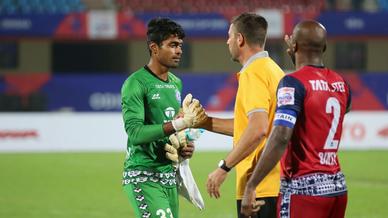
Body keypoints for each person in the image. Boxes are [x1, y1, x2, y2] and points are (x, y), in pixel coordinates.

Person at [241, 20, 352, 218]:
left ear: (293, 46)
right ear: (324, 47)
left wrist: (251, 185)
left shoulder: (292, 83)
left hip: (304, 189)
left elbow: (281, 136)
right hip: (337, 187)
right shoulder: (341, 83)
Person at [200, 13, 285, 218]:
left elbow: (258, 129)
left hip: (259, 187)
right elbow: (250, 127)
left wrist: (224, 167)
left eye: (230, 35)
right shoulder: (274, 70)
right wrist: (203, 122)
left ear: (240, 39)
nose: (227, 40)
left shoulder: (252, 73)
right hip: (278, 183)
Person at [120, 17, 206, 218]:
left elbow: (172, 131)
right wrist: (178, 124)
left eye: (180, 46)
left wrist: (183, 147)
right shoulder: (136, 83)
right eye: (172, 45)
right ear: (154, 48)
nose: (179, 51)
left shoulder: (176, 83)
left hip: (169, 176)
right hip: (142, 174)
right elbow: (135, 133)